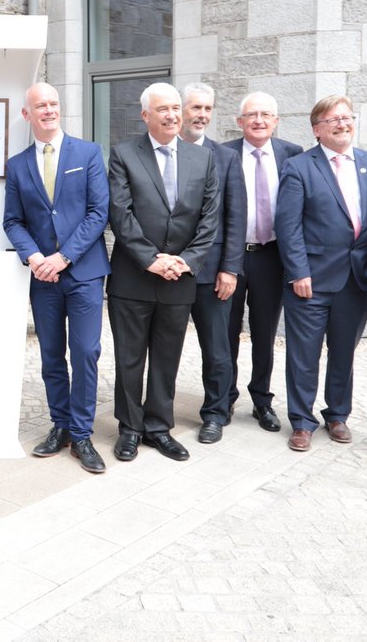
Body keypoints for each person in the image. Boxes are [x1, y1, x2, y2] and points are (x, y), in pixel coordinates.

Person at [107, 82, 218, 463]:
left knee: (167, 357)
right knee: (129, 359)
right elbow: (120, 213)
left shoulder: (202, 159)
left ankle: (158, 428)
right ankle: (129, 428)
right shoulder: (124, 154)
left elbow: (209, 217)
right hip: (133, 277)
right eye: (162, 109)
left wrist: (186, 261)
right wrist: (151, 259)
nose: (172, 115)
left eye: (175, 108)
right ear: (145, 115)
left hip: (179, 279)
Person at [3, 83, 110, 473]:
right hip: (43, 277)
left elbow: (99, 213)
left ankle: (82, 434)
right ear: (27, 115)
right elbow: (12, 221)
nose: (49, 110)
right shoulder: (17, 165)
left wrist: (64, 257)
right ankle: (60, 425)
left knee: (85, 352)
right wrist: (34, 257)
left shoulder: (88, 152)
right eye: (40, 105)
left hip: (83, 272)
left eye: (53, 104)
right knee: (51, 355)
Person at [275, 94, 367, 452]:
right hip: (310, 280)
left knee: (343, 353)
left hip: (356, 279)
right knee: (303, 355)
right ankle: (302, 421)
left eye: (346, 117)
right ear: (316, 130)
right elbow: (288, 225)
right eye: (332, 119)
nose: (342, 124)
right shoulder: (299, 167)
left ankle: (337, 415)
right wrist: (298, 272)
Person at [224, 92, 302, 433]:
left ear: (276, 121)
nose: (258, 120)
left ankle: (262, 400)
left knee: (264, 332)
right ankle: (224, 397)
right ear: (239, 122)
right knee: (225, 331)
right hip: (231, 257)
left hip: (271, 256)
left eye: (266, 114)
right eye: (251, 115)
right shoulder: (222, 154)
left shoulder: (292, 155)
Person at [179, 83, 245, 444]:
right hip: (169, 270)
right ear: (180, 109)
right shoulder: (163, 152)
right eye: (196, 107)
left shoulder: (226, 157)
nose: (202, 115)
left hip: (212, 271)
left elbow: (236, 216)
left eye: (207, 108)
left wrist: (230, 268)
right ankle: (157, 410)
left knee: (218, 349)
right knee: (165, 346)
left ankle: (216, 413)